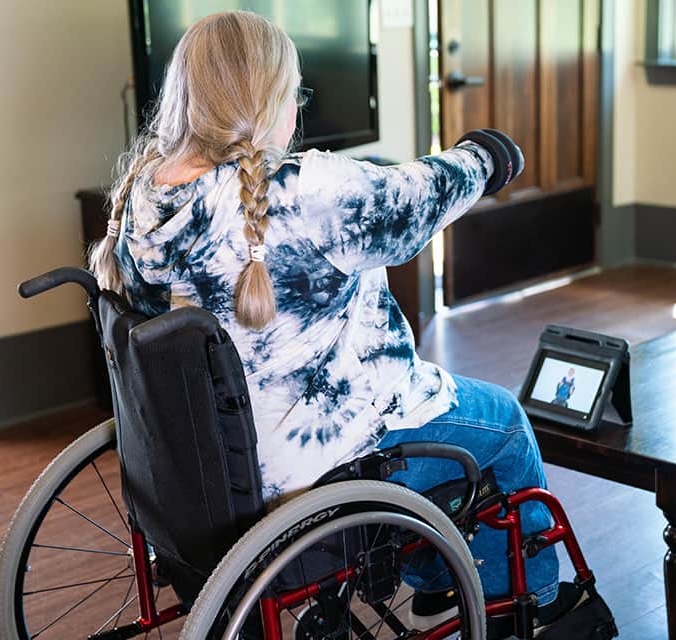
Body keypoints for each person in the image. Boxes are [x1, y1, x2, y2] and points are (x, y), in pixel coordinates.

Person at [89, 10, 579, 632]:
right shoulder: (299, 190)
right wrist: (483, 158)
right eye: (294, 90)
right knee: (503, 423)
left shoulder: (143, 196)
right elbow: (414, 200)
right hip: (317, 466)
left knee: (453, 422)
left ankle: (440, 578)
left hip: (204, 472)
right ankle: (533, 605)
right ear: (270, 100)